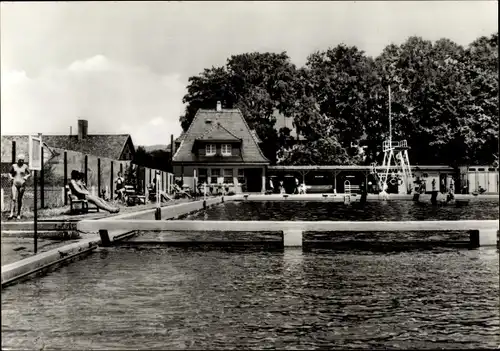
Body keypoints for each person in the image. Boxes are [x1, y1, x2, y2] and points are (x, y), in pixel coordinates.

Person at [8, 154, 30, 219]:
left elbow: (30, 173)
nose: (22, 162)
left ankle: (18, 214)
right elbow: (9, 173)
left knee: (19, 199)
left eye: (23, 160)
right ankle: (11, 213)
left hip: (22, 184)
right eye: (20, 160)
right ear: (18, 160)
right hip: (14, 183)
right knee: (14, 198)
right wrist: (11, 177)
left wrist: (26, 176)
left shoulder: (25, 166)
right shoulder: (14, 166)